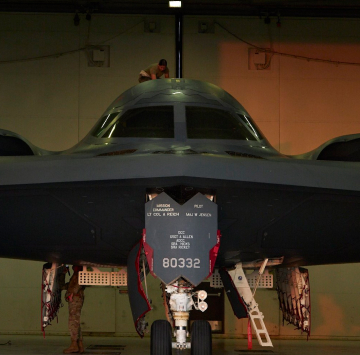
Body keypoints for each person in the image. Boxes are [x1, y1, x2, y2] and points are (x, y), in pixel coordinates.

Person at [63, 265, 86, 354]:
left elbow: (81, 282)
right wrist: (63, 274)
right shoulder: (75, 275)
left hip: (75, 299)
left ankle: (74, 345)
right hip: (75, 298)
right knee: (76, 321)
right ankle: (79, 344)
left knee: (73, 321)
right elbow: (64, 286)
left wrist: (72, 292)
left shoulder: (79, 274)